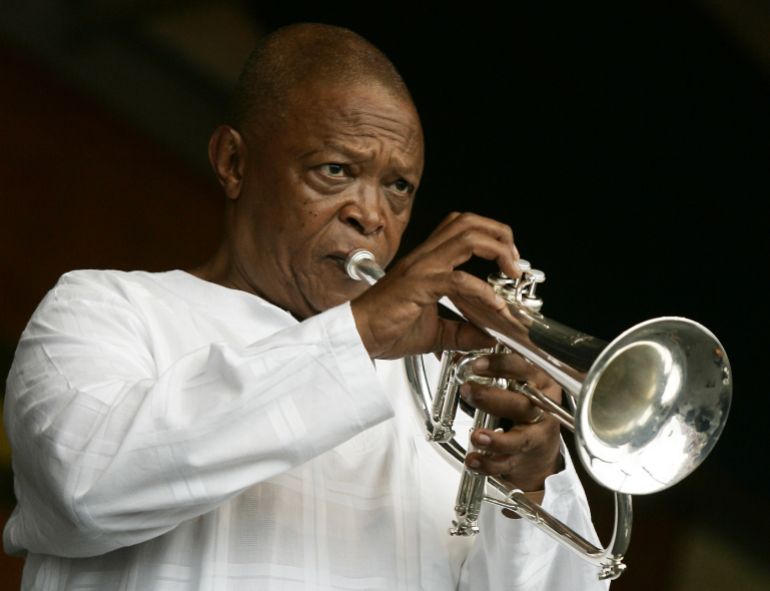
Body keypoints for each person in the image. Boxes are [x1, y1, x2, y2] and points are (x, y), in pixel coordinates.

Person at [3, 23, 608, 590]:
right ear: (233, 163)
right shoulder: (101, 310)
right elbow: (82, 490)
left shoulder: (443, 399)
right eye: (336, 170)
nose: (370, 215)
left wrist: (532, 486)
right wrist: (362, 332)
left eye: (398, 187)